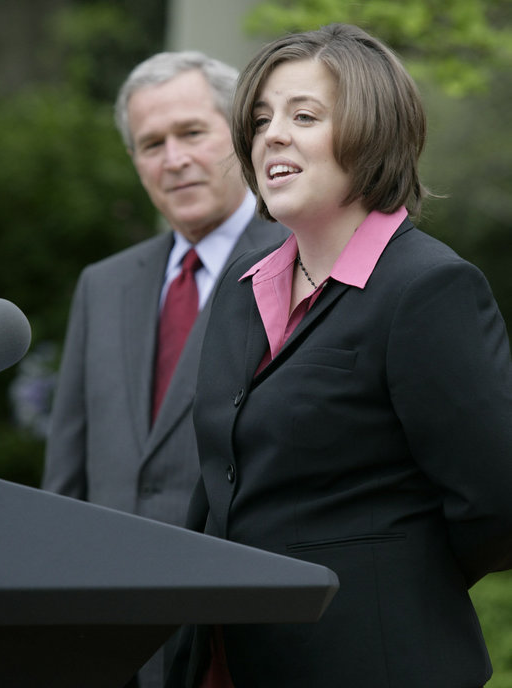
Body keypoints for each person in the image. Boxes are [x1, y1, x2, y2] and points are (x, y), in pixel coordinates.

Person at [168, 24, 512, 688]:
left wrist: (388, 573)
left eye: (304, 115)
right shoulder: (242, 289)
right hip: (225, 663)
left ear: (371, 134)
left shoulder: (427, 288)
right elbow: (220, 487)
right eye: (261, 118)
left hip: (372, 661)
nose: (271, 134)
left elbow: (496, 500)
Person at [41, 50, 288, 688]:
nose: (173, 158)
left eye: (191, 133)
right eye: (151, 144)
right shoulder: (104, 284)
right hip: (112, 642)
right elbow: (67, 476)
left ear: (240, 134)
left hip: (241, 640)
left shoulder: (298, 264)